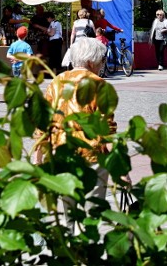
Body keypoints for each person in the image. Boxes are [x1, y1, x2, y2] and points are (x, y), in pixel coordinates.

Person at [36, 38, 115, 221]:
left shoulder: (56, 82)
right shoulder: (100, 84)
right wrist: (121, 171)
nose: (102, 65)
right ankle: (86, 246)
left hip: (61, 152)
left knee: (69, 212)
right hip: (91, 155)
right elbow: (106, 129)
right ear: (90, 61)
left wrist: (38, 157)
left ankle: (71, 244)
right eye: (101, 60)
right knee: (91, 213)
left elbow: (44, 122)